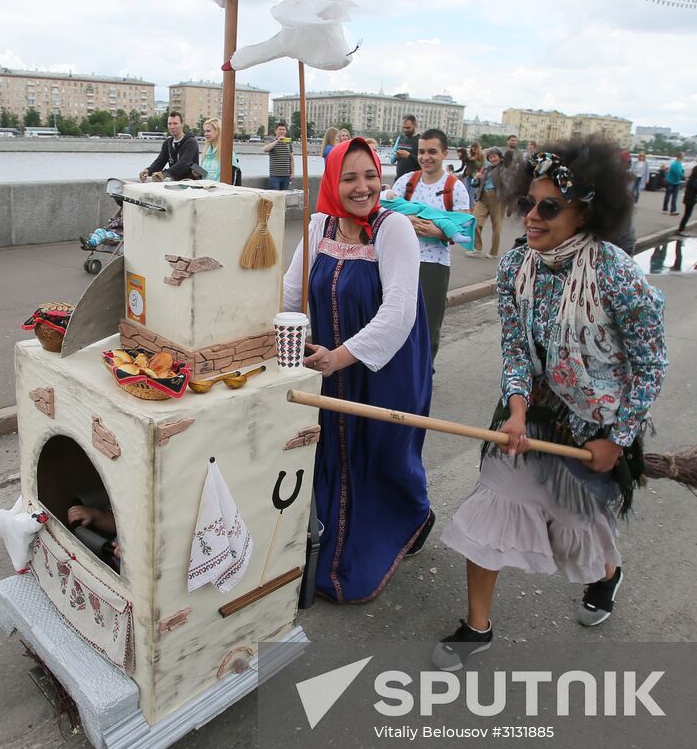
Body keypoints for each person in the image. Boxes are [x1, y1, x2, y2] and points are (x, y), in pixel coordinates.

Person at [434, 139, 667, 669]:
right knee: (491, 506)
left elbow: (650, 366)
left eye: (548, 208)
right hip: (532, 412)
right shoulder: (517, 265)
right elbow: (516, 347)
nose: (531, 218)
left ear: (585, 212)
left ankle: (606, 575)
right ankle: (477, 627)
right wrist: (515, 408)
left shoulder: (617, 274)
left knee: (577, 531)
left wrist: (617, 437)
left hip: (595, 426)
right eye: (527, 205)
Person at [282, 138, 433, 602]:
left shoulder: (394, 229)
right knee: (336, 454)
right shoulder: (319, 225)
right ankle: (330, 550)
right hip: (331, 370)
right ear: (331, 181)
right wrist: (278, 338)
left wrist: (340, 356)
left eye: (370, 175)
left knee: (384, 456)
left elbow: (399, 312)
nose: (362, 187)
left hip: (386, 368)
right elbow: (289, 294)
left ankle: (413, 514)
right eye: (349, 178)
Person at [387, 129, 470, 361]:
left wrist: (438, 232)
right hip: (401, 261)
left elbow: (465, 226)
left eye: (432, 151)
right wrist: (405, 220)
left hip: (434, 264)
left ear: (445, 153)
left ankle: (425, 372)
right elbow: (383, 208)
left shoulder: (455, 187)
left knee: (429, 324)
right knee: (396, 320)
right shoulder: (407, 181)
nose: (426, 157)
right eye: (421, 151)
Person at [140, 111, 200, 181]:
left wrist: (164, 174)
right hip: (175, 183)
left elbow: (184, 163)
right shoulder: (168, 143)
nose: (172, 127)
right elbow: (160, 161)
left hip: (191, 184)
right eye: (169, 124)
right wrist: (148, 171)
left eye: (175, 124)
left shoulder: (191, 142)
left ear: (182, 124)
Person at [469, 146, 505, 258]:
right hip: (483, 197)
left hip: (497, 198)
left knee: (496, 226)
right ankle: (477, 247)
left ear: (499, 157)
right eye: (490, 157)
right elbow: (475, 184)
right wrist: (476, 178)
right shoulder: (486, 168)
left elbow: (510, 183)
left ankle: (493, 252)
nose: (492, 159)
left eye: (494, 156)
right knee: (475, 220)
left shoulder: (505, 168)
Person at [198, 117, 239, 184]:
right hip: (206, 191)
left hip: (221, 192)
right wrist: (199, 173)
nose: (205, 134)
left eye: (208, 131)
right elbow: (207, 175)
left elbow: (234, 177)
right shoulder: (206, 153)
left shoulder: (227, 152)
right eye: (204, 131)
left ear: (218, 131)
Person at [262, 122, 295, 191]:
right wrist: (277, 141)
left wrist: (292, 173)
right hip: (275, 175)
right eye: (280, 129)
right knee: (275, 195)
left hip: (286, 175)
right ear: (276, 131)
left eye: (283, 129)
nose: (282, 131)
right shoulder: (272, 142)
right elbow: (264, 149)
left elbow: (291, 159)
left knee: (284, 196)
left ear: (286, 131)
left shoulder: (288, 143)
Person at [676, 159, 697, 235]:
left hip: (690, 198)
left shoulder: (693, 179)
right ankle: (681, 229)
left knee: (687, 215)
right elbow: (696, 188)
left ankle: (682, 229)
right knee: (687, 215)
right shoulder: (693, 180)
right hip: (689, 199)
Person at [392, 114, 421, 179]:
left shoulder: (421, 140)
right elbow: (392, 160)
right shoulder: (401, 138)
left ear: (415, 125)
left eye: (408, 128)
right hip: (399, 179)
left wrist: (409, 155)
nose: (405, 130)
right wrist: (396, 156)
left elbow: (423, 161)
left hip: (414, 180)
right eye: (404, 127)